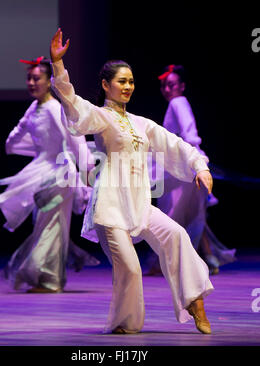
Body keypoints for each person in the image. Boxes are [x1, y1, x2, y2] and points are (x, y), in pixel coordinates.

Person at [50, 28, 214, 334]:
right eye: (121, 81)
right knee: (131, 267)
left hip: (138, 203)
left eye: (131, 81)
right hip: (110, 208)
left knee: (177, 235)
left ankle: (195, 299)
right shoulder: (101, 117)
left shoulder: (142, 124)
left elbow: (175, 143)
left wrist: (198, 166)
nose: (128, 86)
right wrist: (59, 66)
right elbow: (73, 104)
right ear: (105, 85)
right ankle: (126, 323)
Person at [0, 56, 99, 294]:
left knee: (51, 224)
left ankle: (49, 279)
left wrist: (86, 170)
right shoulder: (35, 107)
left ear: (48, 81)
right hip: (44, 171)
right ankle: (47, 277)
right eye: (29, 78)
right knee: (46, 224)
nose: (31, 82)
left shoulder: (55, 108)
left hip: (59, 174)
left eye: (36, 78)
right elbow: (17, 133)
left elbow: (74, 137)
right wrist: (11, 144)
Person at [146, 65, 236, 276]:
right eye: (164, 86)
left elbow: (190, 134)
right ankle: (208, 259)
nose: (167, 89)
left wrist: (195, 160)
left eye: (171, 85)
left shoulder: (178, 102)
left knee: (176, 215)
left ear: (182, 86)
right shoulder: (176, 104)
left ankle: (171, 263)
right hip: (180, 166)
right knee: (191, 214)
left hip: (181, 168)